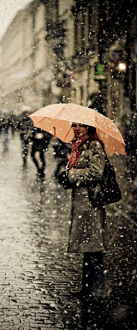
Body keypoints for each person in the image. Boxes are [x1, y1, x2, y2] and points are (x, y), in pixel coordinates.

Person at [58, 122, 107, 300]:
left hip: (91, 202)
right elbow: (79, 170)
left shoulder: (94, 145)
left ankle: (99, 289)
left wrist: (71, 175)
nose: (76, 129)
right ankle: (86, 288)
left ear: (89, 128)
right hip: (82, 201)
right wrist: (67, 174)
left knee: (94, 246)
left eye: (81, 126)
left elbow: (96, 172)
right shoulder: (79, 146)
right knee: (88, 245)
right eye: (74, 126)